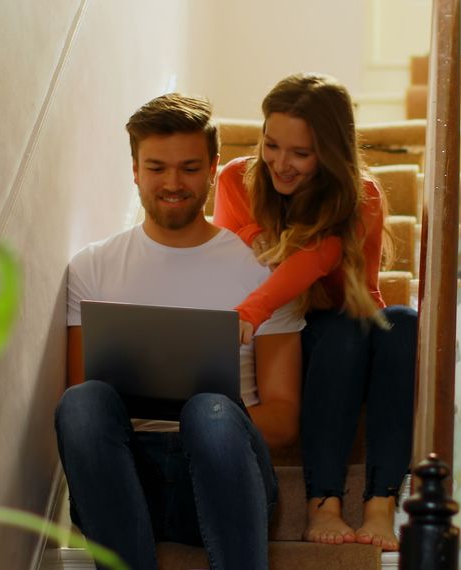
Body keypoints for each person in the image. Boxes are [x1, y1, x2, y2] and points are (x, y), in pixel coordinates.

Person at [55, 93, 304, 570]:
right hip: (126, 480)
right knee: (81, 402)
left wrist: (210, 415)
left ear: (213, 169)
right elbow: (83, 407)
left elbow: (284, 419)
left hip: (224, 471)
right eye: (156, 168)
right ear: (134, 170)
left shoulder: (264, 271)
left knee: (208, 409)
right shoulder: (92, 267)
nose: (173, 183)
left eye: (190, 168)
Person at [211, 72, 418, 551]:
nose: (281, 164)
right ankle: (322, 502)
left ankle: (380, 504)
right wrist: (253, 252)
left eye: (300, 154)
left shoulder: (358, 194)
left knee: (403, 324)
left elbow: (328, 268)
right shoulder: (236, 180)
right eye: (271, 145)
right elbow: (226, 263)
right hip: (281, 335)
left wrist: (263, 274)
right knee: (344, 335)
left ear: (330, 152)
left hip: (339, 317)